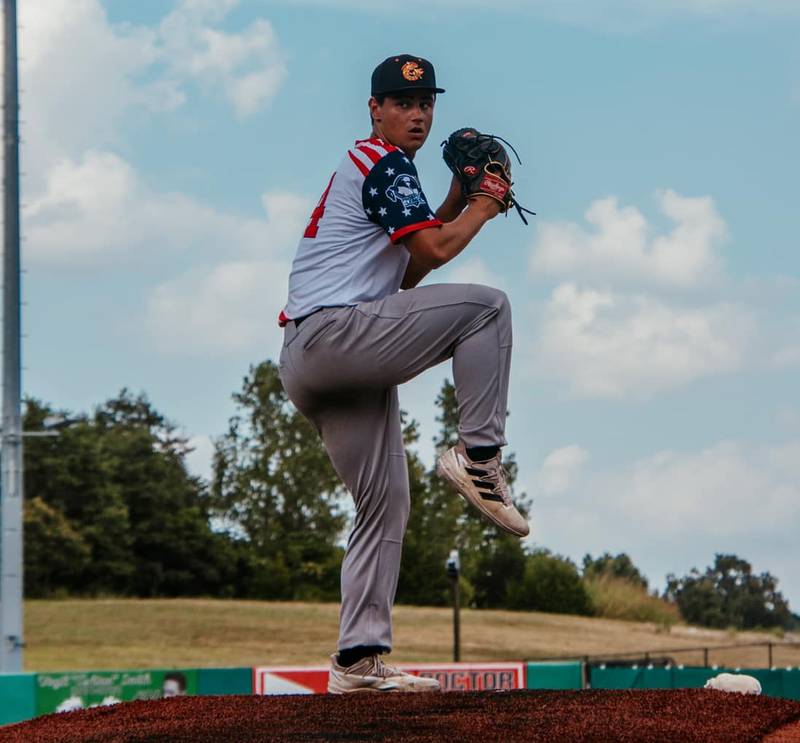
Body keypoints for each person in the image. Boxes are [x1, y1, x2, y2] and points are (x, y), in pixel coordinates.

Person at [278, 54, 529, 694]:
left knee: (383, 503)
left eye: (425, 103)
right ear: (375, 109)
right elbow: (438, 250)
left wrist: (456, 200)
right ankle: (479, 456)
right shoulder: (381, 161)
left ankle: (357, 662)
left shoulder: (382, 170)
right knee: (489, 308)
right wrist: (484, 206)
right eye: (402, 102)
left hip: (317, 356)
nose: (417, 113)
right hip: (336, 335)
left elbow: (409, 274)